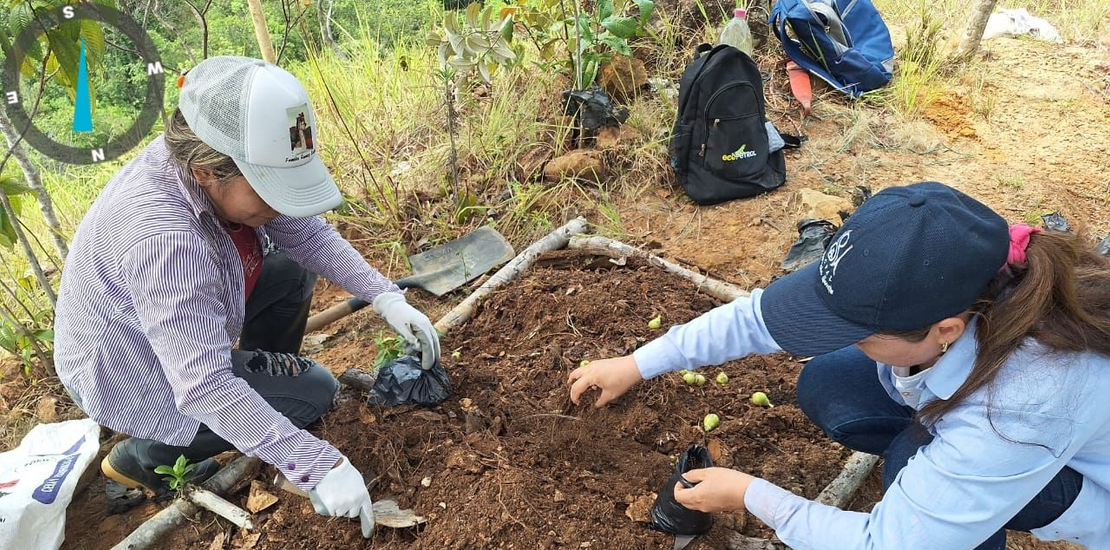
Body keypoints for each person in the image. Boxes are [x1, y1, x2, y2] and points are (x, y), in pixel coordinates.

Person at [568, 182, 1110, 549]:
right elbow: (757, 319)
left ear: (945, 330)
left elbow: (887, 544)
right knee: (832, 380)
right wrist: (638, 363)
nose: (834, 338)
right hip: (1005, 417)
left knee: (909, 460)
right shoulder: (964, 264)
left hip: (1084, 485)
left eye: (859, 333)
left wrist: (752, 495)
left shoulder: (1021, 408)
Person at [54, 57, 441, 538]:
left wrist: (386, 298)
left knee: (291, 270)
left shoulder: (208, 157)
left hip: (177, 334)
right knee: (317, 393)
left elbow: (309, 236)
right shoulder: (166, 240)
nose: (280, 205)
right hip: (133, 373)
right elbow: (200, 384)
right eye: (269, 190)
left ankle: (262, 396)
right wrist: (309, 461)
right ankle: (143, 456)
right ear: (208, 172)